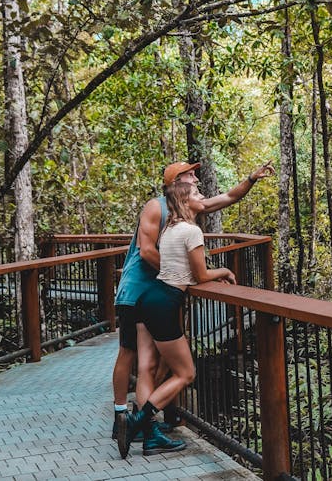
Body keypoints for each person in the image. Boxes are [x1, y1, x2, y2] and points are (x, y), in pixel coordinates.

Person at [111, 160, 273, 456]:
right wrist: (180, 274)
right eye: (190, 175)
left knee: (150, 365)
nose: (197, 179)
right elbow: (147, 251)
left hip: (158, 292)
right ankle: (123, 418)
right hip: (139, 289)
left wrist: (251, 178)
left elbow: (229, 198)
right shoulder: (157, 208)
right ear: (177, 183)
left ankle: (146, 429)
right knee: (136, 356)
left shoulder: (186, 211)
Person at [124, 180, 237, 453]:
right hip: (164, 303)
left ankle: (149, 434)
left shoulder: (169, 230)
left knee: (146, 369)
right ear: (186, 202)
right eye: (197, 193)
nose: (202, 197)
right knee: (186, 373)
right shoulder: (192, 231)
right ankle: (139, 420)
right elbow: (200, 276)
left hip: (147, 299)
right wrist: (223, 271)